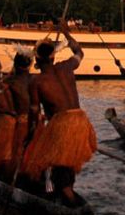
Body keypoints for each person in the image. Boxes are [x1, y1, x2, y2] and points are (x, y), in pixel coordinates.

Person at [21, 23, 97, 204]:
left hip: (62, 122)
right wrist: (66, 33)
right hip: (81, 120)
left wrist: (30, 134)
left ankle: (62, 193)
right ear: (53, 58)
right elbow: (80, 52)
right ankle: (66, 190)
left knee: (47, 158)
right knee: (66, 160)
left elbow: (34, 111)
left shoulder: (37, 82)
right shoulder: (67, 66)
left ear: (37, 61)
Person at [0, 50, 33, 181]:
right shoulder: (36, 79)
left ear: (15, 64)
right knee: (30, 152)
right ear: (30, 64)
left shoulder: (9, 81)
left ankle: (14, 179)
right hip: (36, 121)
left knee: (17, 153)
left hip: (21, 123)